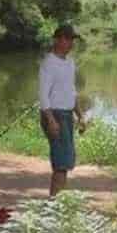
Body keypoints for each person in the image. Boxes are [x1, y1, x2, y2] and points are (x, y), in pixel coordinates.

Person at [39, 24, 86, 196]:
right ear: (57, 40)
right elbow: (43, 96)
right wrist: (51, 120)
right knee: (61, 164)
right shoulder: (48, 63)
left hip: (66, 115)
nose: (71, 43)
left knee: (65, 163)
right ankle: (54, 204)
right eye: (67, 39)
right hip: (54, 115)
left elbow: (71, 91)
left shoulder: (70, 63)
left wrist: (80, 116)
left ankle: (57, 204)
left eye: (72, 39)